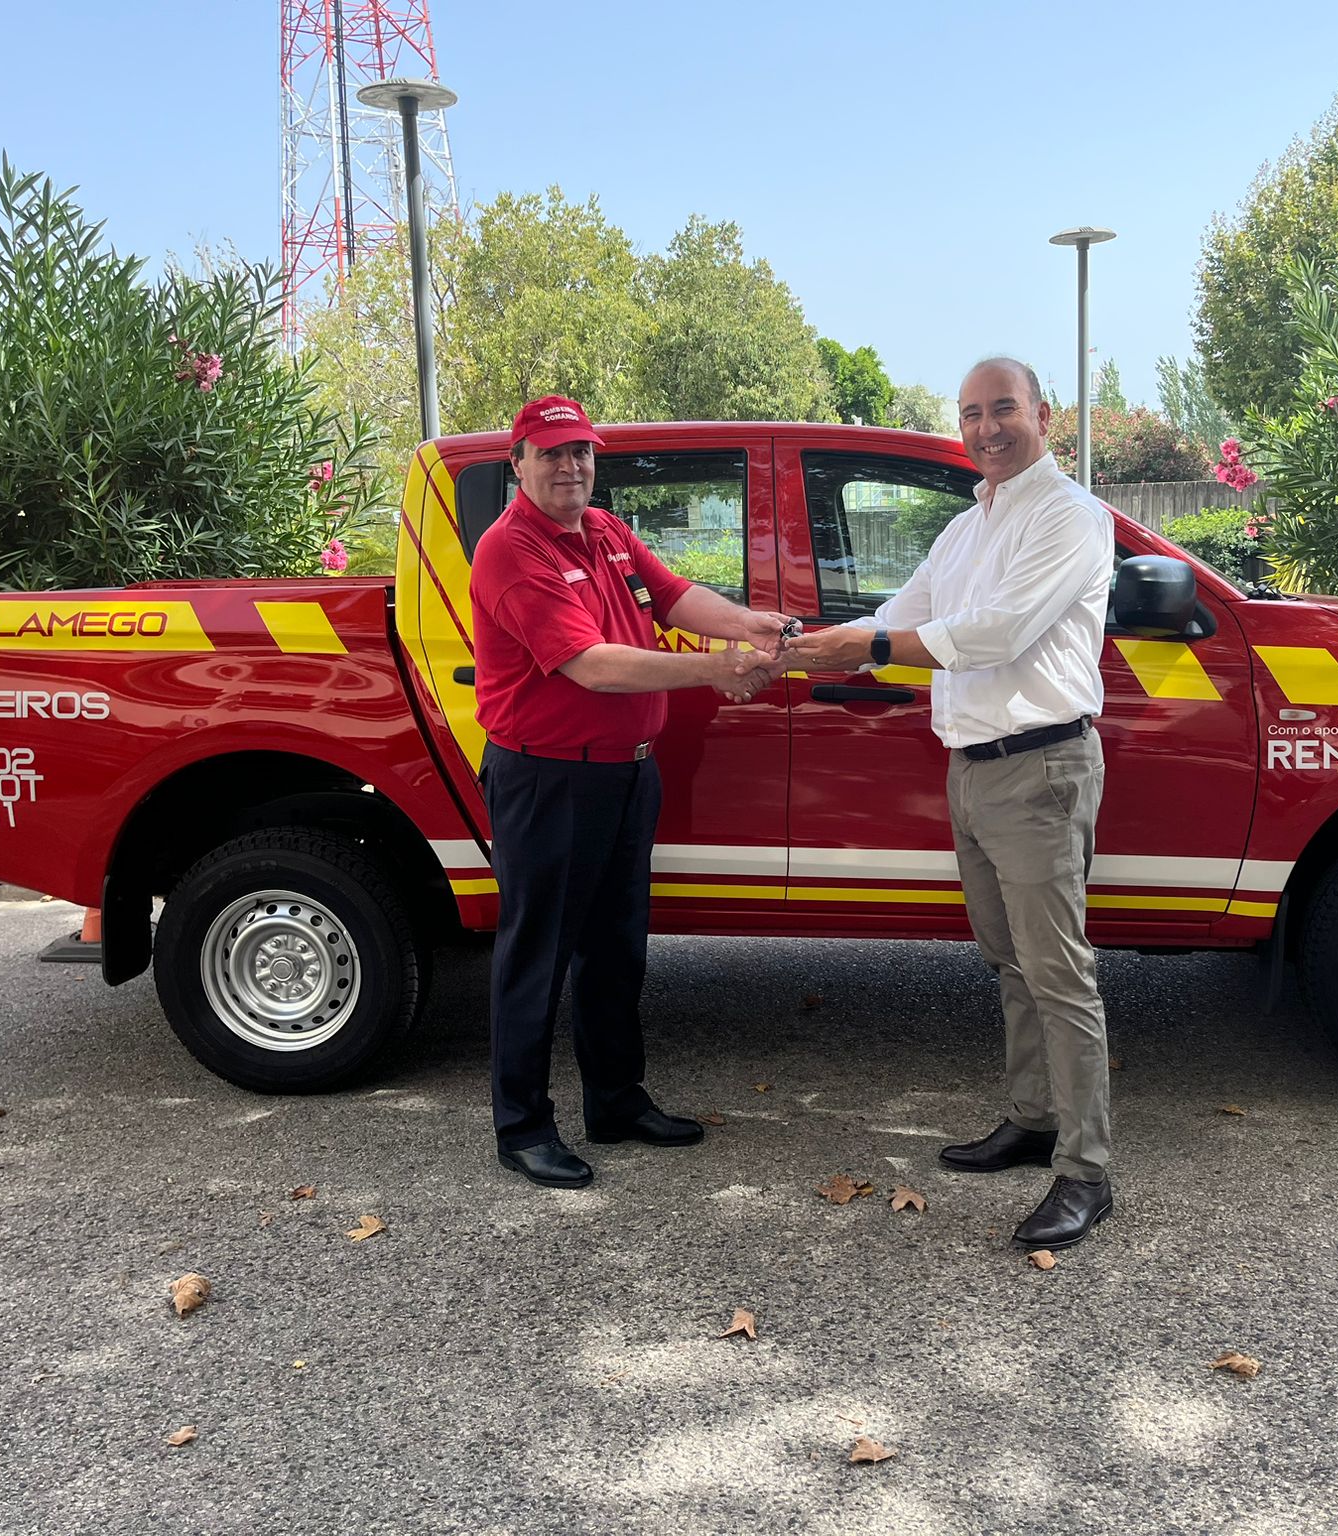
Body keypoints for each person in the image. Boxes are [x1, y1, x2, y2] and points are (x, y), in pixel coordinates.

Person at [787, 357, 1116, 1250]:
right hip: (973, 770)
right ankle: (1033, 1117)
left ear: (1043, 415)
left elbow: (995, 634)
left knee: (1059, 974)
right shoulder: (967, 527)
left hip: (1040, 767)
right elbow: (901, 612)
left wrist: (871, 644)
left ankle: (1086, 1171)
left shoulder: (1069, 518)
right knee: (1009, 960)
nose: (985, 428)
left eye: (1002, 409)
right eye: (970, 414)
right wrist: (804, 650)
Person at [471, 394, 789, 1189]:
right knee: (535, 955)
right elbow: (593, 664)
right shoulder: (512, 550)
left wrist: (747, 624)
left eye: (579, 450)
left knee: (616, 948)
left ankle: (614, 1101)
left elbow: (676, 595)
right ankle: (523, 1127)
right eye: (549, 454)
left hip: (624, 772)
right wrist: (718, 667)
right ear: (518, 465)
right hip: (549, 776)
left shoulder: (608, 531)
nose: (569, 466)